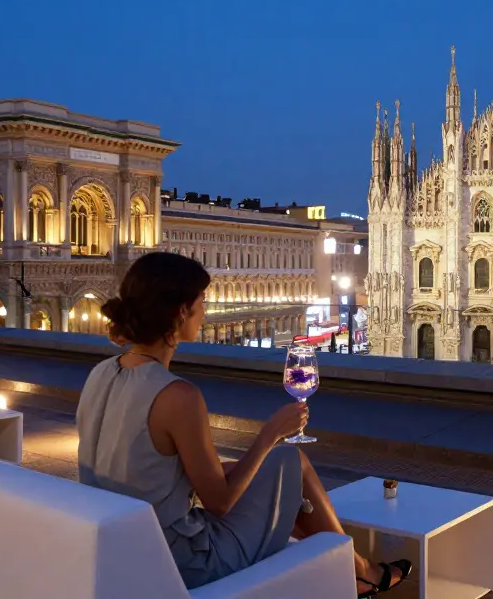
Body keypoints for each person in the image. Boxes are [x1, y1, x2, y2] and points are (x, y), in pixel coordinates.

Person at [75, 253, 410, 597]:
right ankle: (359, 573)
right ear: (180, 312)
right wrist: (270, 434)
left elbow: (142, 468)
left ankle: (357, 570)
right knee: (291, 459)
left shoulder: (100, 373)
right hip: (183, 560)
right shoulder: (177, 396)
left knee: (281, 469)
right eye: (202, 301)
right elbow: (219, 502)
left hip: (123, 550)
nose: (206, 310)